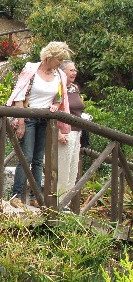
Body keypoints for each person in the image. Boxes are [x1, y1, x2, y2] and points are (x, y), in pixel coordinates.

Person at [6, 41, 72, 209]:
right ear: (49, 57)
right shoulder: (31, 71)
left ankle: (35, 196)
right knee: (25, 156)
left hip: (46, 121)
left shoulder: (59, 75)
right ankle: (16, 195)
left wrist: (55, 106)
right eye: (58, 59)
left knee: (37, 159)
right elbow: (19, 97)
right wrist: (20, 122)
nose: (60, 63)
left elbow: (59, 98)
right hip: (28, 117)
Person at [57, 60, 84, 207]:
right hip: (64, 133)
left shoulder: (74, 88)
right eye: (71, 70)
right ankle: (57, 203)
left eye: (75, 70)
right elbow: (52, 110)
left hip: (77, 133)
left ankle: (65, 204)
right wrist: (57, 132)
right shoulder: (58, 88)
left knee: (73, 170)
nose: (74, 72)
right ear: (62, 72)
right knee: (63, 169)